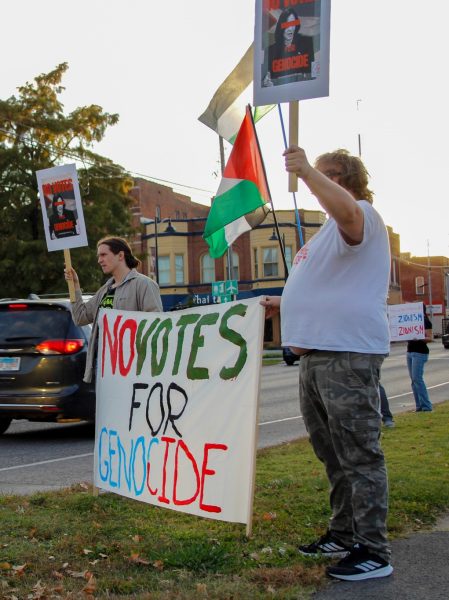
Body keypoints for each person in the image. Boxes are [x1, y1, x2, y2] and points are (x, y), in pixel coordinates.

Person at [261, 146, 393, 581]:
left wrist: (306, 172)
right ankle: (342, 532)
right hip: (315, 357)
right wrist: (282, 302)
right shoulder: (324, 234)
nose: (321, 183)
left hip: (346, 355)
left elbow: (347, 214)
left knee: (359, 453)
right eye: (319, 176)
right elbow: (326, 287)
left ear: (351, 182)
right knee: (332, 453)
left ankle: (374, 550)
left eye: (332, 176)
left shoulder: (360, 216)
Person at [64, 236, 163, 383]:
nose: (99, 260)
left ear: (120, 255)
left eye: (103, 255)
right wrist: (75, 286)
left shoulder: (144, 285)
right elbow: (80, 317)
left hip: (132, 369)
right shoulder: (104, 290)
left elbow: (156, 326)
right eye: (98, 256)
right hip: (103, 366)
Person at [263, 7, 315, 87]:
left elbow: (313, 76)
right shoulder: (271, 51)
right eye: (287, 25)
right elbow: (264, 81)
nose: (290, 29)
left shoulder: (306, 44)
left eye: (293, 24)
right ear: (281, 26)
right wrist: (269, 86)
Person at [406, 304, 433, 412]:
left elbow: (430, 338)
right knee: (413, 380)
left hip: (420, 352)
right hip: (410, 351)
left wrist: (420, 337)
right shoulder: (410, 322)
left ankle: (427, 406)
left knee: (417, 379)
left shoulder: (426, 321)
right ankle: (419, 406)